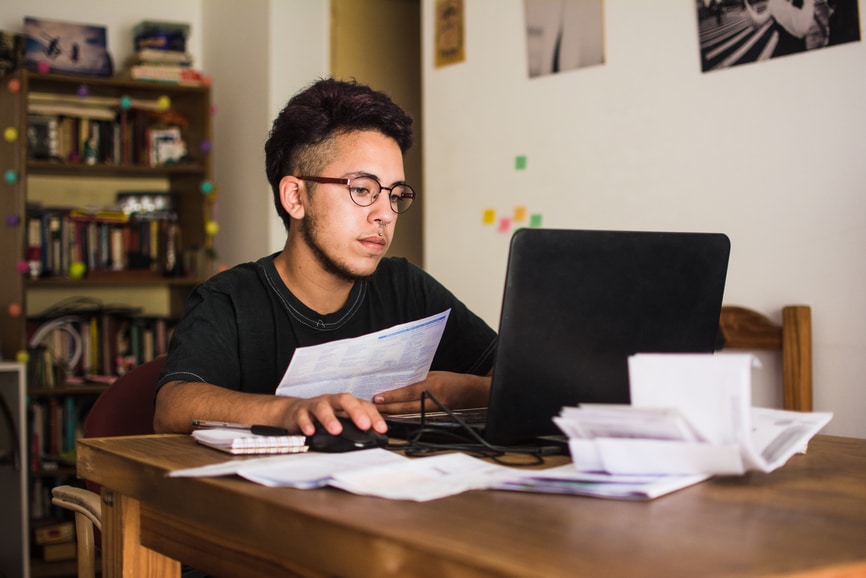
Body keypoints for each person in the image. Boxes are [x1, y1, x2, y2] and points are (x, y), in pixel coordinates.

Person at [153, 78, 497, 439]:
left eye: (395, 195)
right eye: (363, 189)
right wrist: (293, 410)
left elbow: (517, 378)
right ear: (296, 197)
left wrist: (464, 392)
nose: (386, 214)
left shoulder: (407, 287)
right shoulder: (229, 299)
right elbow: (173, 407)